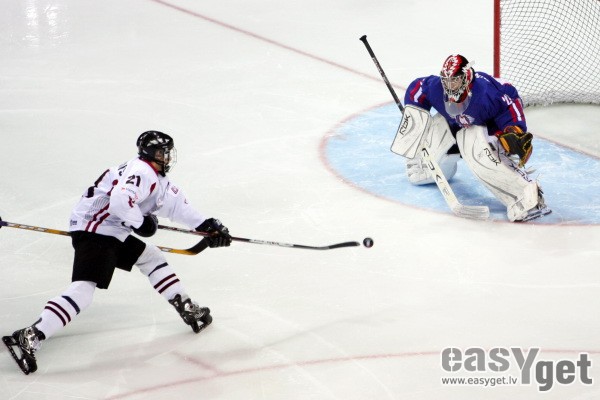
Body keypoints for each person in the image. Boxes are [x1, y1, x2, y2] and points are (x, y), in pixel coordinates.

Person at [3, 131, 232, 375]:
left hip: (110, 229)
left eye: (167, 152)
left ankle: (186, 308)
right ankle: (30, 335)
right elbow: (120, 201)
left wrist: (206, 226)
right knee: (83, 290)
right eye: (161, 152)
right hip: (96, 228)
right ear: (149, 153)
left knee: (151, 257)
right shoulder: (142, 171)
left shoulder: (154, 177)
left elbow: (176, 206)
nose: (166, 157)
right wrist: (141, 223)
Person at [401, 54, 551, 222]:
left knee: (476, 150)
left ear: (466, 77)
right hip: (453, 123)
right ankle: (429, 167)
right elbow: (418, 88)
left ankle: (525, 194)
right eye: (446, 81)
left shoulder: (487, 93)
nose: (449, 86)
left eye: (454, 81)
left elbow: (510, 101)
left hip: (481, 127)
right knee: (436, 132)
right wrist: (415, 116)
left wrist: (513, 129)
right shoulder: (438, 88)